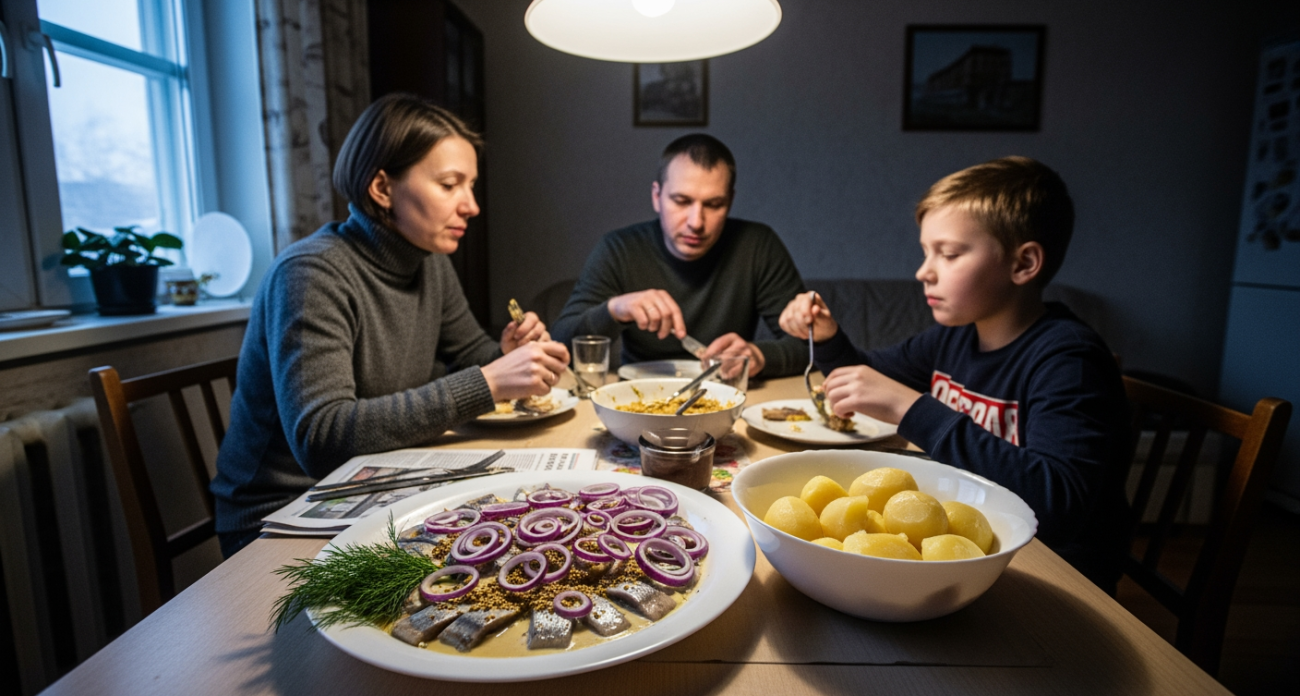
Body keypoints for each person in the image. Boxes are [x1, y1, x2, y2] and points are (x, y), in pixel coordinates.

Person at [211, 94, 570, 557]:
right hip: (284, 512)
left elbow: (471, 356)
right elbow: (321, 437)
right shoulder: (311, 274)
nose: (472, 206)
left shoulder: (428, 261)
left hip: (377, 485)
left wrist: (507, 355)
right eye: (450, 185)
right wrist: (490, 381)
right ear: (382, 188)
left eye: (471, 185)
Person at [779, 157, 1131, 592]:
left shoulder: (1069, 360)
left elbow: (1058, 506)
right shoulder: (954, 338)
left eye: (948, 254)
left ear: (1024, 263)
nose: (923, 272)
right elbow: (863, 380)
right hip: (974, 554)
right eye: (926, 252)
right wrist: (828, 337)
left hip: (1058, 576)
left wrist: (911, 408)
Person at [551, 134, 806, 377]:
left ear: (730, 201)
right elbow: (559, 348)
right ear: (657, 197)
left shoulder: (757, 246)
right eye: (682, 201)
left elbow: (812, 345)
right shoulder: (619, 249)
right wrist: (615, 309)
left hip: (728, 393)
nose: (696, 222)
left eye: (714, 205)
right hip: (637, 395)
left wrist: (758, 356)